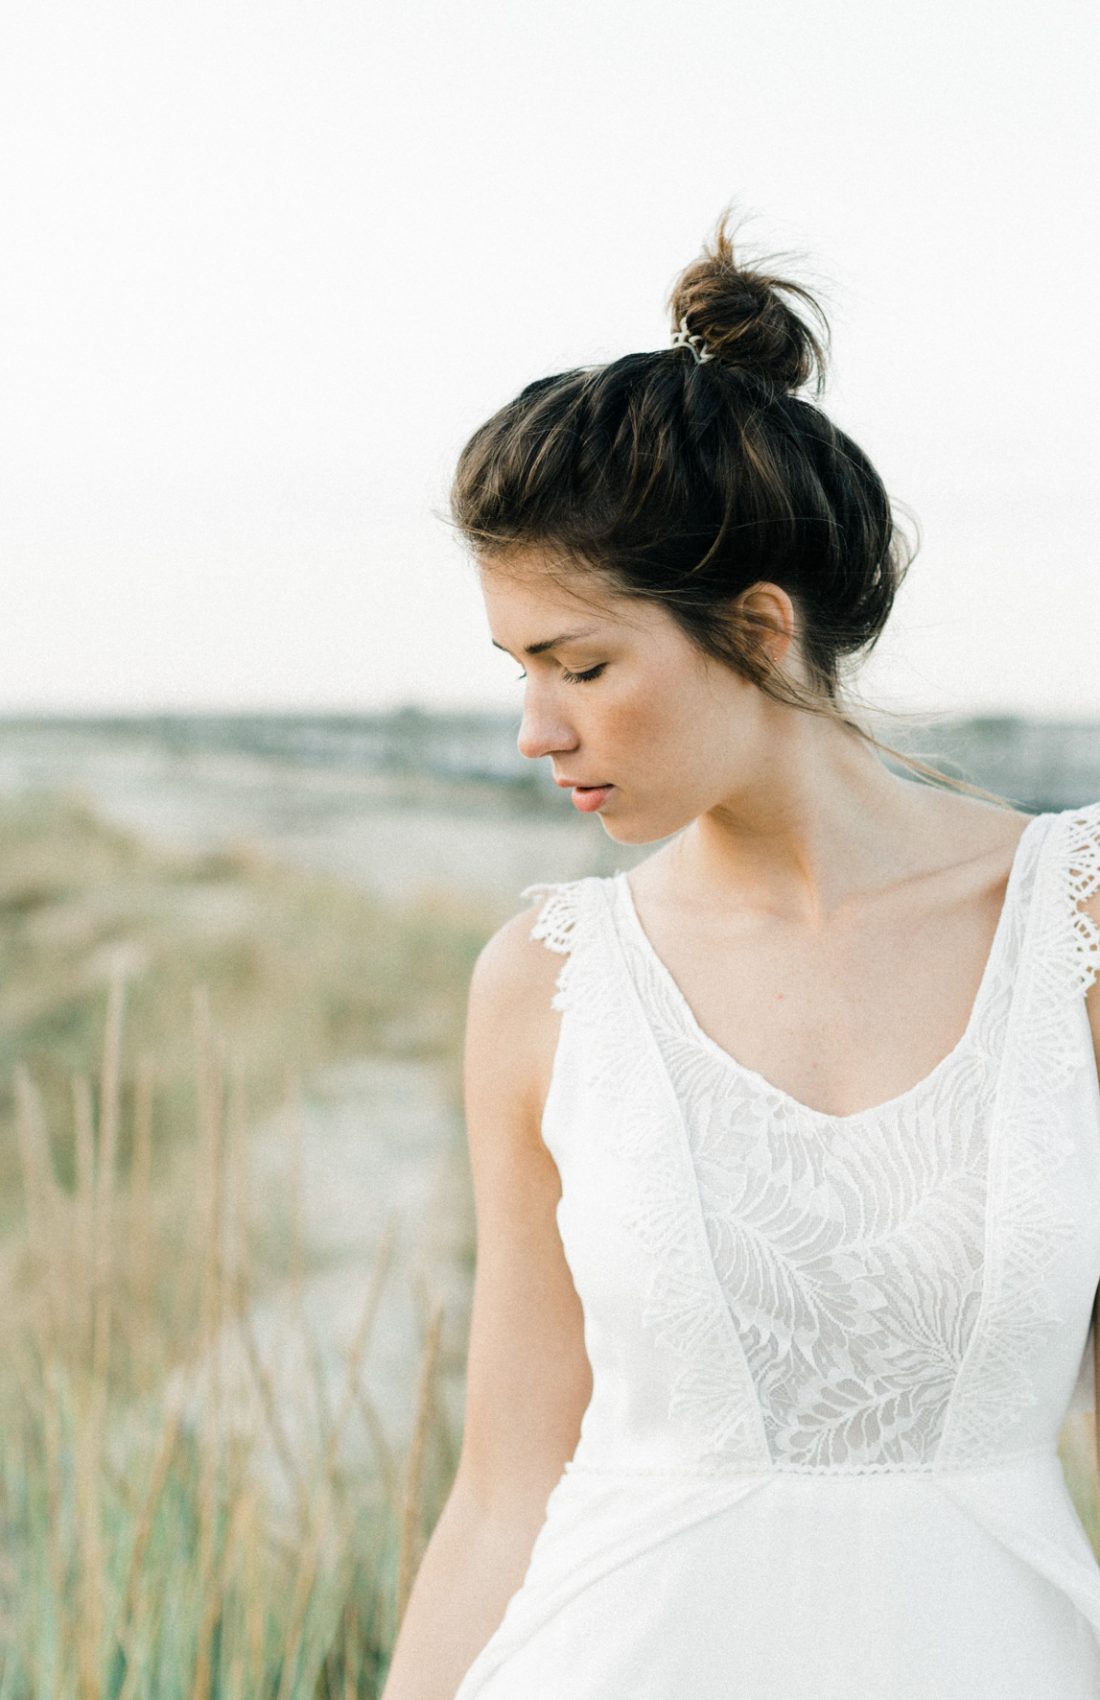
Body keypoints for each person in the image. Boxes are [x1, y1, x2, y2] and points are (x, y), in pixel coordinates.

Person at [379, 208, 1100, 1700]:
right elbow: (506, 1489)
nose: (539, 728)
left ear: (761, 631)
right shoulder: (546, 982)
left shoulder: (1074, 930)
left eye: (580, 666)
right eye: (521, 672)